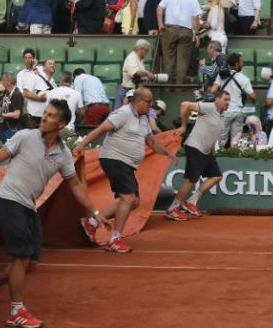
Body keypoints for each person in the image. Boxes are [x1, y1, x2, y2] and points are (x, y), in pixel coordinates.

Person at [0, 100, 107, 327]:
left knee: (30, 263)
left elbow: (76, 185)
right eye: (45, 114)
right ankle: (16, 312)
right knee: (20, 256)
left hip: (29, 208)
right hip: (9, 201)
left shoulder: (63, 154)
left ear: (60, 124)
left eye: (50, 116)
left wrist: (94, 210)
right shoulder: (25, 136)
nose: (44, 118)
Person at [74, 87, 178, 252]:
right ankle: (114, 239)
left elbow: (151, 141)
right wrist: (81, 145)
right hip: (114, 159)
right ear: (138, 101)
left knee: (134, 202)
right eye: (148, 102)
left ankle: (92, 222)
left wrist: (167, 152)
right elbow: (101, 129)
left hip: (127, 164)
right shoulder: (122, 113)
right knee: (128, 199)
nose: (151, 106)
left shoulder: (143, 119)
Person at [164, 90, 231, 221]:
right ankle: (172, 209)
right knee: (192, 180)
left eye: (229, 100)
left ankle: (192, 201)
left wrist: (212, 152)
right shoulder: (209, 107)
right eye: (225, 99)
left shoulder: (222, 115)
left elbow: (211, 133)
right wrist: (183, 126)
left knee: (216, 176)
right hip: (195, 146)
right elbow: (185, 104)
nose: (228, 102)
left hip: (206, 151)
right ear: (217, 99)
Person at [157, 0, 203, 85]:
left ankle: (167, 89)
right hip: (185, 31)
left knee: (168, 61)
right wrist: (196, 34)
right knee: (182, 62)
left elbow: (159, 8)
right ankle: (178, 88)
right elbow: (195, 17)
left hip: (169, 29)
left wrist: (160, 24)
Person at [209, 52, 257, 148]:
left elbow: (213, 90)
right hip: (238, 112)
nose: (243, 63)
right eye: (241, 62)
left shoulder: (221, 76)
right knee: (236, 140)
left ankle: (220, 158)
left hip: (225, 112)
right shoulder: (244, 79)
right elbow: (253, 96)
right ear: (236, 64)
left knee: (221, 140)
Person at [115, 39, 156, 110]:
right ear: (141, 49)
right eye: (146, 51)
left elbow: (140, 75)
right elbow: (135, 72)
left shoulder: (139, 59)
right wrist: (147, 73)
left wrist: (147, 76)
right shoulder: (132, 58)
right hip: (127, 91)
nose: (146, 53)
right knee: (123, 115)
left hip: (135, 92)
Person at [22, 59, 58, 126]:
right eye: (50, 64)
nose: (53, 65)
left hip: (47, 117)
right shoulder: (35, 77)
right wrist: (39, 98)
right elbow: (25, 93)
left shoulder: (54, 83)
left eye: (54, 64)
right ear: (44, 67)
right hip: (34, 117)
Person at [0, 72, 25, 143]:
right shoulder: (7, 92)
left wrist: (0, 114)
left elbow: (16, 114)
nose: (1, 82)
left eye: (3, 80)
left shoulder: (17, 94)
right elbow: (3, 103)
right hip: (3, 127)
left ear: (9, 82)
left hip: (12, 129)